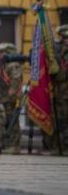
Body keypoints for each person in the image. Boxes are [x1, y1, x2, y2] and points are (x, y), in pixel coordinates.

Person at [0, 43, 23, 154]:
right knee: (6, 121)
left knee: (13, 121)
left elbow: (15, 81)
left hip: (11, 98)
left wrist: (11, 95)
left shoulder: (13, 65)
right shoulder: (3, 66)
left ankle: (15, 146)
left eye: (1, 53)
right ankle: (8, 144)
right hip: (3, 98)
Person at [53, 25, 68, 155]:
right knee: (62, 119)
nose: (66, 41)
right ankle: (62, 147)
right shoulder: (59, 53)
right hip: (61, 92)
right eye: (64, 38)